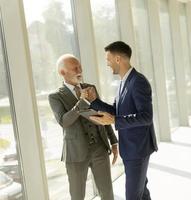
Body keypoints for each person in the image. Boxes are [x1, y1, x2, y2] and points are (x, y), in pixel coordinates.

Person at [83, 41, 158, 200]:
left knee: (132, 196)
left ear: (118, 59)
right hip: (131, 149)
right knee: (141, 192)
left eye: (108, 60)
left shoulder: (138, 82)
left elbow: (146, 116)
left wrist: (115, 120)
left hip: (138, 149)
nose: (107, 64)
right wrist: (94, 101)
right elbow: (115, 111)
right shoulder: (123, 82)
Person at [48, 54, 118, 200]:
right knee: (77, 196)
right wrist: (83, 101)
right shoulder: (55, 97)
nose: (80, 70)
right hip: (75, 154)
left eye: (80, 66)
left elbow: (102, 115)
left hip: (100, 149)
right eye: (75, 68)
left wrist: (113, 141)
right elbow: (64, 122)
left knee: (107, 194)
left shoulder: (90, 88)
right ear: (63, 72)